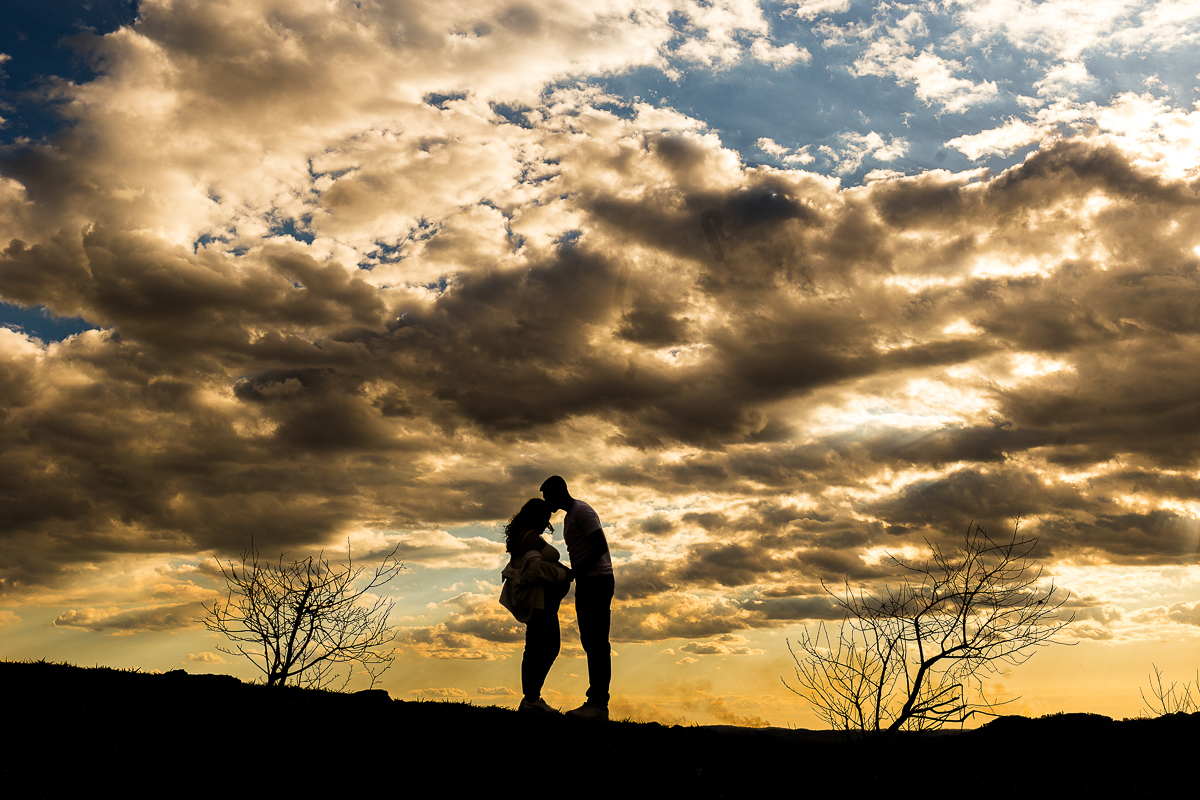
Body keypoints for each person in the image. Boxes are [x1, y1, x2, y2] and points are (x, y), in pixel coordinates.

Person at [540, 475, 613, 721]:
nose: (546, 501)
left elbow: (600, 547)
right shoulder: (571, 516)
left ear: (558, 492)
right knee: (591, 641)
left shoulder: (582, 511)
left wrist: (576, 572)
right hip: (588, 581)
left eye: (547, 496)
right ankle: (596, 702)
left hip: (597, 581)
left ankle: (598, 705)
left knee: (597, 642)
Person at [499, 497, 572, 714]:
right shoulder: (529, 537)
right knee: (547, 647)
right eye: (544, 519)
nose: (546, 524)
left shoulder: (524, 535)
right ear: (536, 517)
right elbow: (534, 568)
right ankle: (531, 698)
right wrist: (564, 574)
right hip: (540, 601)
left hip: (543, 601)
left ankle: (531, 698)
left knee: (536, 646)